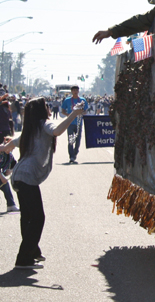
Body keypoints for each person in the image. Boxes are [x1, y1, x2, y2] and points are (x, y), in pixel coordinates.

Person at [2, 97, 85, 269]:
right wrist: (74, 114)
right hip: (27, 177)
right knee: (38, 217)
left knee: (28, 217)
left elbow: (9, 146)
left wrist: (4, 147)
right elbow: (57, 131)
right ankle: (24, 257)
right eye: (47, 106)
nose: (49, 109)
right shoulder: (43, 124)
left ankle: (31, 253)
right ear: (41, 110)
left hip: (19, 176)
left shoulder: (30, 128)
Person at [0, 93, 19, 213]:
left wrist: (10, 171)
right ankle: (11, 204)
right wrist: (3, 177)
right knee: (4, 182)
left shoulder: (8, 156)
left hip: (5, 130)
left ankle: (11, 205)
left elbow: (16, 167)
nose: (11, 149)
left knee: (4, 183)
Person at [59, 86, 87, 164]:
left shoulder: (82, 100)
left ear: (78, 91)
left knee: (78, 140)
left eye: (76, 90)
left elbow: (86, 111)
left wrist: (81, 113)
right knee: (70, 140)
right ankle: (71, 156)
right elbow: (63, 110)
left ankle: (75, 154)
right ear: (71, 91)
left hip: (78, 123)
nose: (75, 91)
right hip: (70, 123)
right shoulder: (67, 100)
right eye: (74, 90)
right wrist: (68, 115)